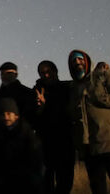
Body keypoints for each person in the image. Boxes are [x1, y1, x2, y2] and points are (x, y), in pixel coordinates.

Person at [68, 50, 110, 194]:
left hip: (108, 140)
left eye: (80, 60)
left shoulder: (103, 75)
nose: (77, 63)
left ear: (87, 61)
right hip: (88, 145)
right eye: (74, 62)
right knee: (97, 187)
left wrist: (103, 98)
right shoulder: (74, 87)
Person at [0, 98, 43, 194]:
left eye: (9, 114)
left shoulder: (26, 132)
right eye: (2, 114)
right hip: (2, 181)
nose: (6, 117)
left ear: (16, 116)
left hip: (24, 180)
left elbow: (35, 159)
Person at [34, 60, 74, 194]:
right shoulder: (36, 92)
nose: (45, 75)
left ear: (55, 71)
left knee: (65, 183)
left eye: (48, 71)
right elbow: (33, 118)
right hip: (45, 145)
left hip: (65, 143)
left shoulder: (68, 87)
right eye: (42, 72)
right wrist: (41, 107)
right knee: (46, 184)